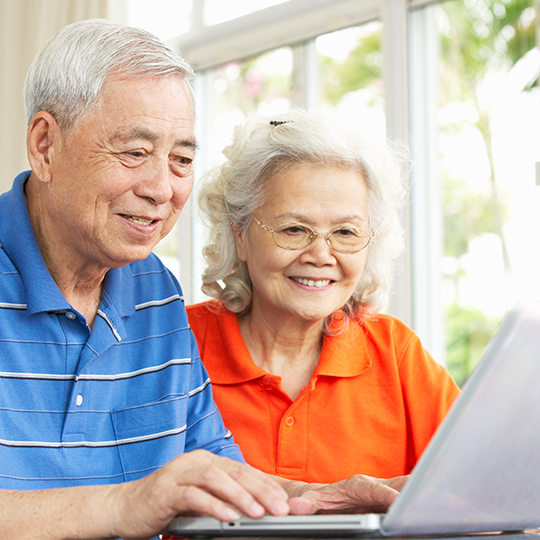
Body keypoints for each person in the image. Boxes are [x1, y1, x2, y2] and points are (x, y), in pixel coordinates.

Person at [0, 19, 408, 540]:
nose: (160, 188)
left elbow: (214, 466)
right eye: (134, 152)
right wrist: (125, 504)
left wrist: (315, 498)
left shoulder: (155, 291)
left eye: (182, 160)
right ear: (45, 146)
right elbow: (135, 503)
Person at [187, 111, 461, 485]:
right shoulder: (176, 342)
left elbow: (480, 485)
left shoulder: (395, 353)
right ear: (240, 236)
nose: (320, 255)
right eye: (294, 229)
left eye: (346, 232)